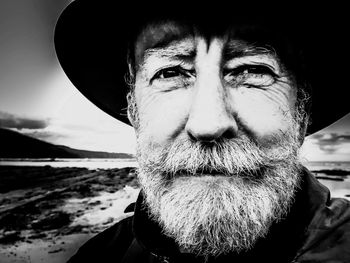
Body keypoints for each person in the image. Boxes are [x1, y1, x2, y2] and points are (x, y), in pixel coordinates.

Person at [54, 1, 350, 262]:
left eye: (253, 70)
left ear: (302, 112)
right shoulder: (101, 256)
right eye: (170, 72)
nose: (209, 124)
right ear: (134, 111)